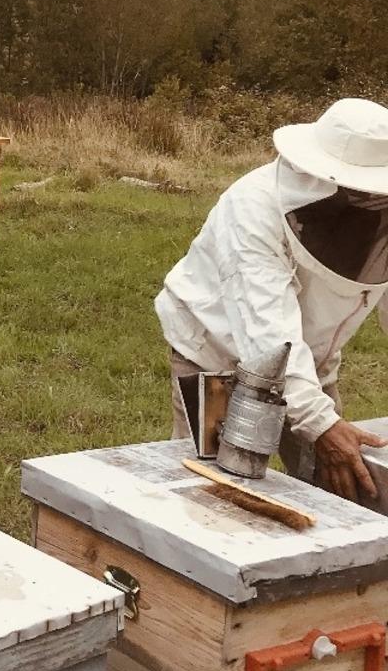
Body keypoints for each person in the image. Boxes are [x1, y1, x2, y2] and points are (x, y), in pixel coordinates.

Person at [157, 98, 388, 501]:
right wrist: (319, 422)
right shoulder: (253, 209)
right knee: (212, 493)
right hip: (217, 358)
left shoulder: (378, 213)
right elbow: (266, 332)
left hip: (310, 362)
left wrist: (321, 420)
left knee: (340, 484)